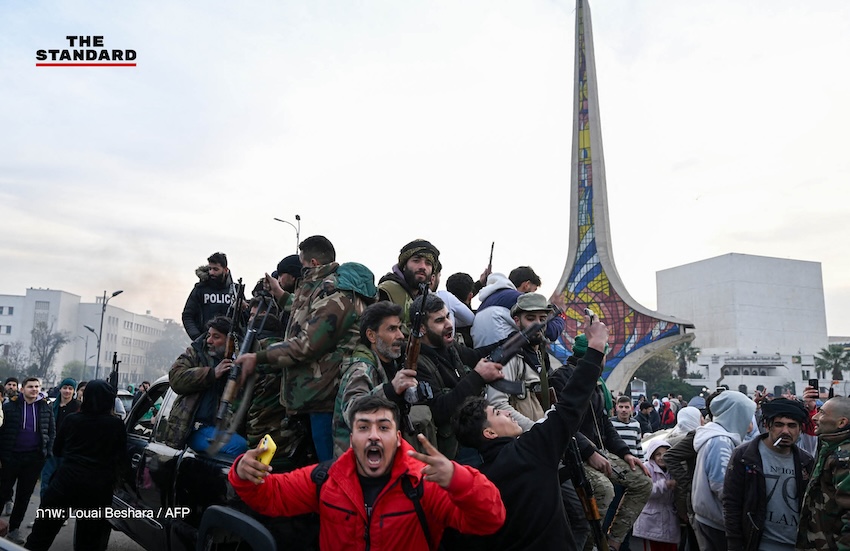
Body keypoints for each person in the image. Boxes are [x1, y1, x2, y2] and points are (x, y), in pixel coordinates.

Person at [228, 394, 506, 550]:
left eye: (383, 427)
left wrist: (458, 478)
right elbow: (269, 496)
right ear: (351, 439)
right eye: (363, 427)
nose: (373, 436)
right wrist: (242, 471)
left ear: (398, 438)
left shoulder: (425, 482)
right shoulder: (326, 479)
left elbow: (490, 519)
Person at [449, 311, 608, 550]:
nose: (505, 412)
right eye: (496, 413)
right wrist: (595, 348)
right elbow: (570, 405)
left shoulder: (477, 482)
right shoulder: (531, 449)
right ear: (489, 433)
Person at [235, 236, 377, 461]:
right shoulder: (321, 288)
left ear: (313, 263)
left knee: (331, 467)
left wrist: (259, 356)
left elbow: (306, 344)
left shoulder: (335, 293)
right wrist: (279, 294)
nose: (300, 272)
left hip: (325, 396)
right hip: (315, 393)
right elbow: (306, 311)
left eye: (302, 265)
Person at [550, 335, 651, 551]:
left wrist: (625, 453)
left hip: (600, 451)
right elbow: (561, 421)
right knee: (604, 490)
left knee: (642, 481)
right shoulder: (562, 378)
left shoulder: (596, 381)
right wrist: (589, 452)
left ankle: (612, 543)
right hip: (574, 454)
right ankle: (590, 545)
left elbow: (604, 423)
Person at [24, 380, 126, 551]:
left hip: (65, 483)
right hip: (97, 489)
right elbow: (121, 458)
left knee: (40, 536)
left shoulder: (72, 420)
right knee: (89, 540)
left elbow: (57, 450)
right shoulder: (116, 425)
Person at [410, 293, 504, 460]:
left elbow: (476, 355)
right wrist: (477, 377)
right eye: (439, 321)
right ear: (422, 328)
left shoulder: (449, 346)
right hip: (453, 450)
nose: (449, 324)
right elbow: (439, 409)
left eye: (448, 316)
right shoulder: (417, 364)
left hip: (474, 435)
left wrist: (512, 342)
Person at [723, 398, 814, 551]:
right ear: (767, 425)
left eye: (792, 426)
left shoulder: (806, 462)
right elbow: (731, 503)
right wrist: (735, 543)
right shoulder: (746, 456)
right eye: (779, 425)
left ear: (800, 429)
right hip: (759, 544)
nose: (785, 431)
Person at [332, 301, 418, 457]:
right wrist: (389, 390)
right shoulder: (360, 370)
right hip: (358, 460)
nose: (400, 335)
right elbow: (352, 411)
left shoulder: (392, 362)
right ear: (371, 335)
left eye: (399, 328)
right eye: (392, 329)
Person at [163, 315, 248, 455]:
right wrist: (212, 374)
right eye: (209, 335)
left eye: (216, 337)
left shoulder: (240, 361)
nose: (209, 340)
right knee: (239, 447)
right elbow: (175, 378)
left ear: (230, 342)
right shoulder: (196, 353)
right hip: (195, 428)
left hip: (224, 428)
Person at [691, 390, 756, 550]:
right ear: (736, 414)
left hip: (709, 518)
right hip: (716, 521)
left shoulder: (716, 436)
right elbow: (722, 485)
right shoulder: (720, 441)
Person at [0, 377, 55, 544]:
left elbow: (51, 431)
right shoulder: (9, 406)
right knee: (2, 492)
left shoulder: (45, 406)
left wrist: (47, 453)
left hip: (33, 458)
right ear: (22, 389)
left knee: (24, 496)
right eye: (30, 387)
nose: (34, 389)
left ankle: (14, 529)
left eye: (37, 386)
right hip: (10, 457)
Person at [797, 395, 850, 550]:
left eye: (822, 413)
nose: (815, 417)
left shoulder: (844, 458)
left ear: (841, 422)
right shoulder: (829, 446)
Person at [470, 271, 564, 348]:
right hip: (504, 362)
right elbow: (551, 331)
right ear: (526, 285)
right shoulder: (516, 298)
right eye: (534, 290)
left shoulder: (489, 299)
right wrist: (559, 314)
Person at [377, 239, 440, 326]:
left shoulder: (427, 298)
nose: (422, 267)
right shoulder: (388, 290)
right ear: (404, 266)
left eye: (428, 263)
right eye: (416, 260)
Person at [631, 440, 679, 551]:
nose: (662, 457)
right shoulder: (647, 468)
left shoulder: (672, 469)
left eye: (665, 454)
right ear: (652, 455)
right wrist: (665, 485)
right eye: (658, 454)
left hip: (669, 518)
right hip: (650, 520)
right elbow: (646, 490)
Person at [182, 251, 238, 340]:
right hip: (205, 342)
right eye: (210, 269)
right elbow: (187, 315)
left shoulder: (236, 291)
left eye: (216, 269)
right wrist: (197, 337)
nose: (211, 272)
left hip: (230, 342)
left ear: (225, 270)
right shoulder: (200, 289)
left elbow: (245, 318)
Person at [39, 377, 80, 499]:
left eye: (70, 388)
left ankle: (59, 514)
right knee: (46, 482)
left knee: (64, 485)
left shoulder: (77, 407)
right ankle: (43, 510)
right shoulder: (52, 406)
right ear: (60, 389)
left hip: (68, 453)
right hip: (51, 451)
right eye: (65, 388)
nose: (67, 391)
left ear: (74, 391)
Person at [611, 395, 644, 460]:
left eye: (626, 407)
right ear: (616, 408)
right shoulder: (610, 423)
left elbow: (639, 446)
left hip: (634, 463)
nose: (623, 410)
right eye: (621, 407)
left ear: (631, 408)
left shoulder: (636, 424)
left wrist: (642, 463)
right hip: (616, 463)